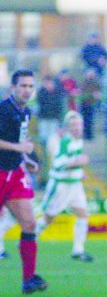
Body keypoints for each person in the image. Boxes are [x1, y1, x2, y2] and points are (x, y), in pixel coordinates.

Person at [0, 69, 48, 294]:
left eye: (30, 86)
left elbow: (18, 142)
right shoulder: (3, 109)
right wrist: (19, 149)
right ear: (13, 88)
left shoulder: (26, 112)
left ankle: (29, 279)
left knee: (29, 224)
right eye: (23, 86)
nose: (27, 90)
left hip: (14, 173)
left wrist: (26, 159)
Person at [35, 111, 94, 262]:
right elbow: (58, 164)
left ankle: (78, 250)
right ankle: (27, 239)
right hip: (61, 185)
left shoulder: (77, 141)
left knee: (83, 214)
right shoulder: (64, 142)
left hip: (74, 185)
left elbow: (74, 162)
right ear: (67, 127)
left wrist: (80, 172)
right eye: (73, 125)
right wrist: (78, 163)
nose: (77, 127)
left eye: (79, 124)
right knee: (49, 218)